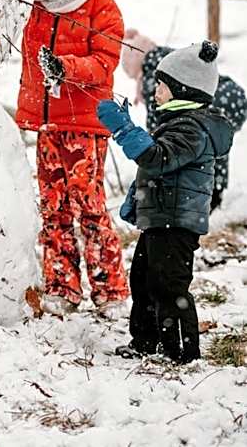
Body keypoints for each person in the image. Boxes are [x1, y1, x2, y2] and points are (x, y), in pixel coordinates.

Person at [16, 0, 128, 317]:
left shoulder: (101, 3)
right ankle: (62, 286)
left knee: (89, 206)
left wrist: (66, 68)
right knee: (53, 207)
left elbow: (105, 61)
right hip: (48, 122)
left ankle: (110, 290)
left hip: (84, 123)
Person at [98, 41, 233, 364]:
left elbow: (157, 159)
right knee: (143, 280)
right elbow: (158, 169)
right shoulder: (177, 124)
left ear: (182, 90)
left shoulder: (192, 128)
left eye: (162, 85)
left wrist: (124, 129)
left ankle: (182, 351)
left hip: (177, 223)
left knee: (169, 286)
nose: (154, 90)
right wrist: (138, 202)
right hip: (163, 219)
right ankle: (146, 341)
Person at [122, 29, 246, 209]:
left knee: (199, 148)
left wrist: (152, 150)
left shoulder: (156, 76)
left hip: (219, 101)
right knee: (212, 146)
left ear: (138, 68)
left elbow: (158, 120)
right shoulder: (170, 59)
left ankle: (209, 196)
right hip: (233, 95)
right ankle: (215, 190)